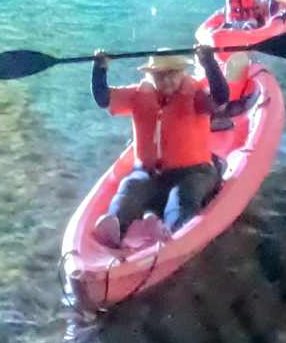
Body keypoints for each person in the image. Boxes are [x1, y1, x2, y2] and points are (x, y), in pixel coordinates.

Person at [90, 46, 236, 249]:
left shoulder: (195, 96)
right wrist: (99, 69)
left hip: (194, 172)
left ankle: (173, 233)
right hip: (150, 172)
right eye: (159, 76)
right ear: (151, 76)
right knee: (130, 187)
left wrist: (209, 63)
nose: (166, 81)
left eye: (172, 74)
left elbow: (221, 98)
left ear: (182, 73)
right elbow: (103, 99)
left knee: (182, 195)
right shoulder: (139, 95)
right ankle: (114, 226)